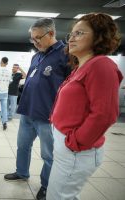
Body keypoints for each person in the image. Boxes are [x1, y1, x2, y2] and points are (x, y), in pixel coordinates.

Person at [47, 13, 123, 200]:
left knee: (58, 197)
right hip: (68, 145)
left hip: (76, 149)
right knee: (64, 195)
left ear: (99, 36)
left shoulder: (101, 65)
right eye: (71, 34)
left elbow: (105, 114)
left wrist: (76, 142)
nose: (71, 38)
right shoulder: (81, 66)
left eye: (79, 33)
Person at [4, 18, 69, 200]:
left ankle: (47, 186)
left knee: (48, 155)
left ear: (51, 34)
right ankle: (22, 172)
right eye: (32, 39)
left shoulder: (65, 54)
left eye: (38, 38)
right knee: (22, 146)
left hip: (47, 115)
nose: (35, 42)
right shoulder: (37, 55)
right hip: (27, 111)